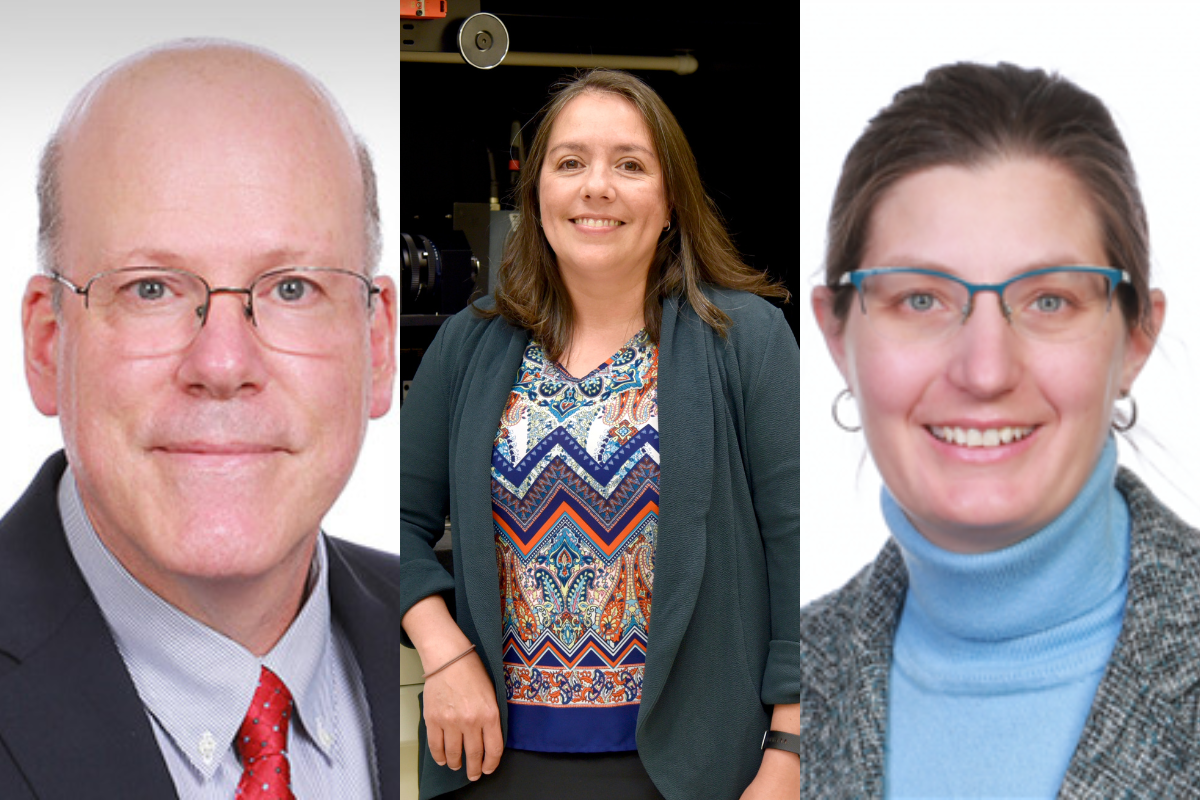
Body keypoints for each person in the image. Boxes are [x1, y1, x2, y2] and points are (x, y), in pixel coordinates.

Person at [0, 40, 400, 798]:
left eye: (291, 289)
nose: (221, 365)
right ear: (48, 345)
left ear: (376, 347)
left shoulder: (459, 639)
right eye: (150, 289)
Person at [400, 69, 800, 800]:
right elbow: (380, 521)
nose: (597, 187)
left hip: (692, 769)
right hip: (490, 763)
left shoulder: (746, 340)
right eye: (571, 162)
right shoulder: (471, 343)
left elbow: (801, 549)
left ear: (671, 200)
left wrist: (791, 750)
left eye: (630, 165)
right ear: (538, 195)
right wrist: (443, 650)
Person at [805, 61, 1199, 797]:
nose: (985, 372)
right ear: (836, 334)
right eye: (921, 298)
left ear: (1136, 338)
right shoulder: (780, 686)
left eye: (1049, 300)